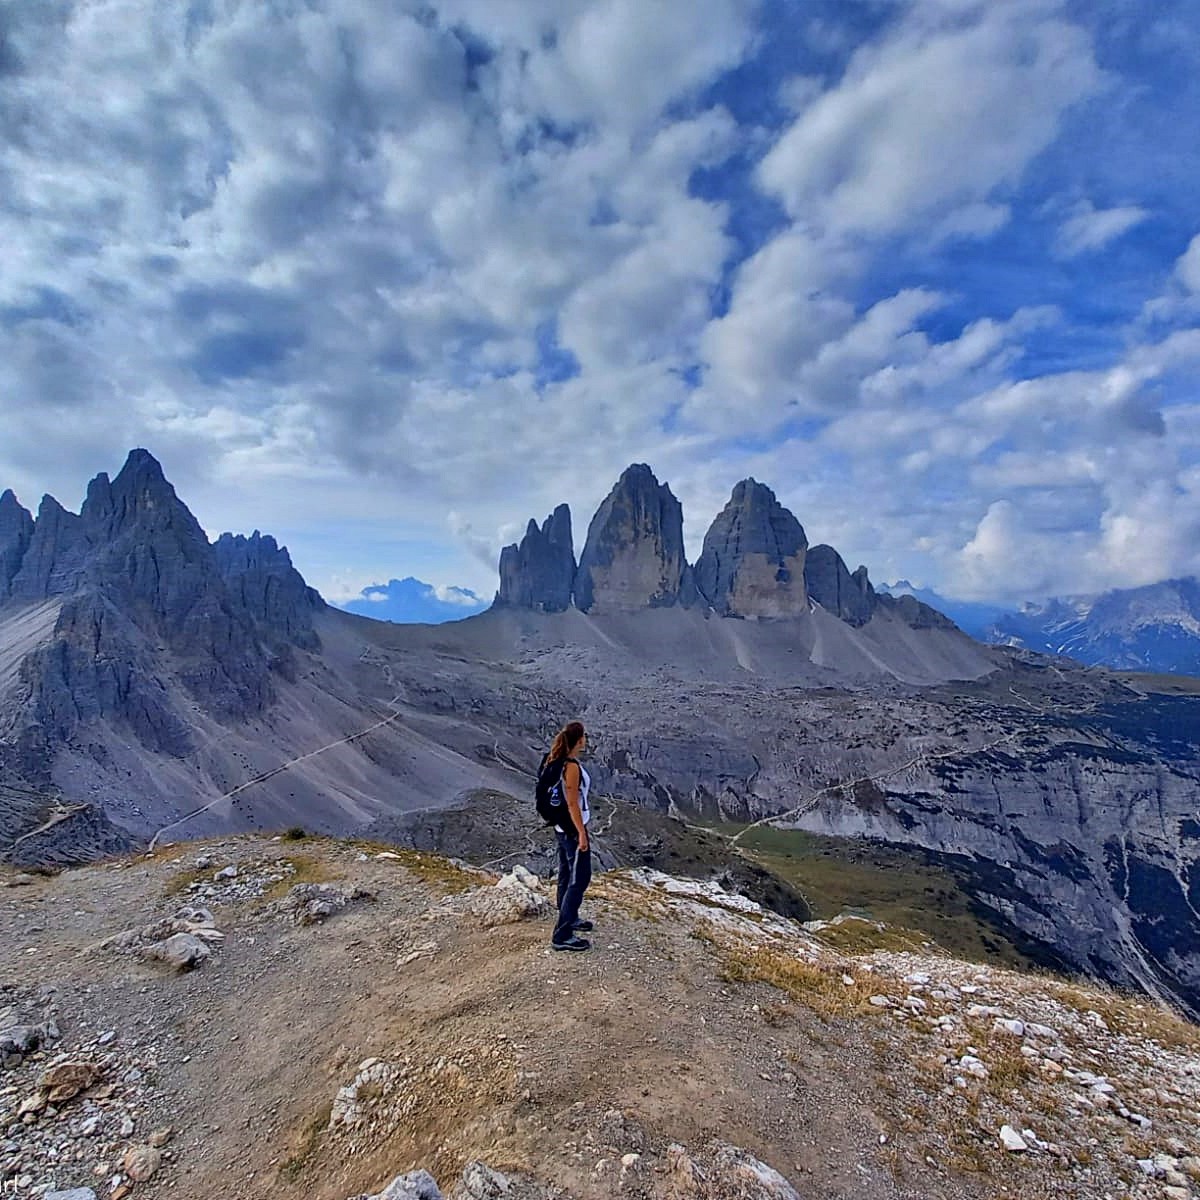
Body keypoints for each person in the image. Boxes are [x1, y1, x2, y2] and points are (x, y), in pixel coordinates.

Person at [547, 720, 593, 951]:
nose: (586, 739)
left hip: (562, 828)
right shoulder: (571, 767)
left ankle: (568, 914)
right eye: (584, 736)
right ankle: (562, 934)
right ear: (579, 740)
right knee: (580, 878)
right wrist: (581, 834)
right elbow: (573, 804)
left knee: (566, 873)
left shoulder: (559, 761)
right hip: (573, 830)